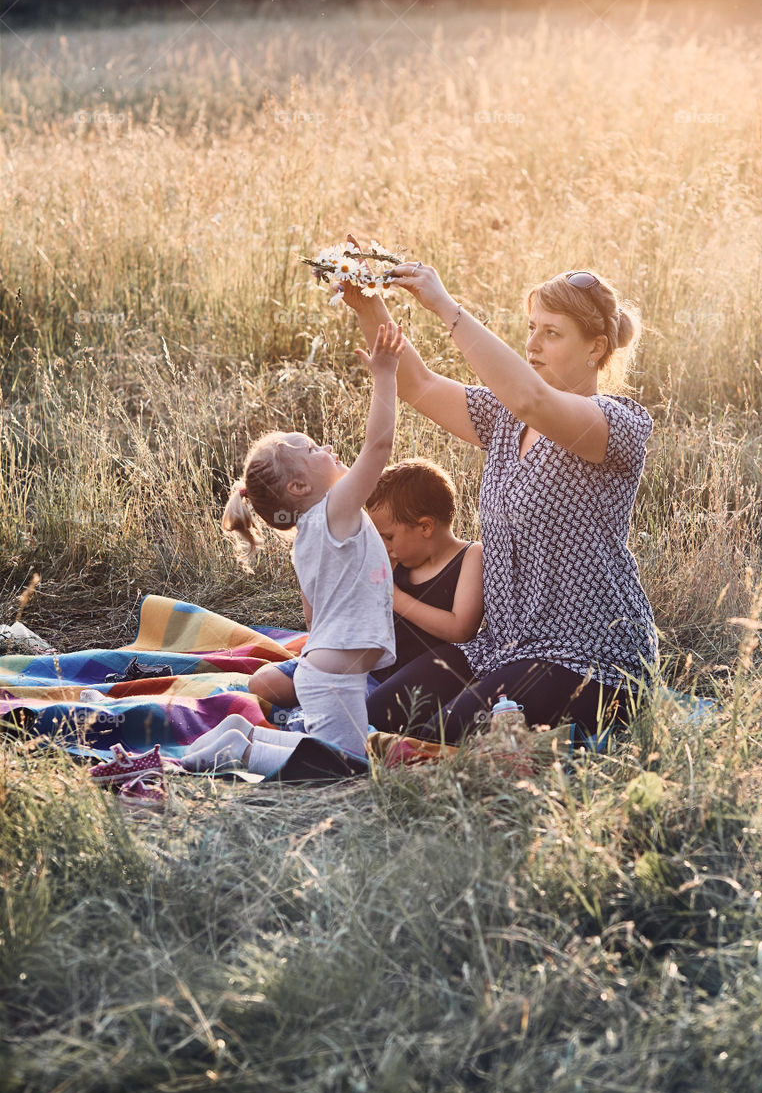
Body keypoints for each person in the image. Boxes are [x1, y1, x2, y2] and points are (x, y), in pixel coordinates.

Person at [342, 254, 657, 744]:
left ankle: (559, 744)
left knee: (438, 738)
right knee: (372, 719)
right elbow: (418, 384)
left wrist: (446, 307)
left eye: (551, 333)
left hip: (589, 655)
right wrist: (367, 304)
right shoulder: (506, 417)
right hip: (502, 645)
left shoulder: (617, 425)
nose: (532, 345)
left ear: (597, 348)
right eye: (531, 328)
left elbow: (534, 398)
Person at [182, 322, 405, 773]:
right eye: (313, 449)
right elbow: (379, 446)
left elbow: (310, 616)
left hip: (326, 668)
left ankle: (242, 735)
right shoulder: (335, 511)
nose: (327, 447)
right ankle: (240, 751)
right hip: (334, 675)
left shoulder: (309, 536)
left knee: (341, 756)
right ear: (301, 485)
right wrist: (386, 374)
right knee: (342, 769)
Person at [364, 459, 484, 733]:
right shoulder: (396, 562)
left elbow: (461, 629)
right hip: (377, 671)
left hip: (430, 677)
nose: (384, 546)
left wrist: (394, 597)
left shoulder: (471, 556)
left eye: (389, 537)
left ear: (426, 527)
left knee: (369, 719)